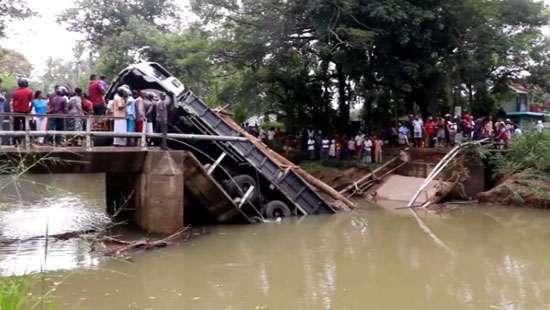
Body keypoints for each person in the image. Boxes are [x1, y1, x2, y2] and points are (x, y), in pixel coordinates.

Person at [10, 78, 33, 145]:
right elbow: (31, 103)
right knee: (26, 126)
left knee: (16, 126)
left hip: (16, 111)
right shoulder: (30, 92)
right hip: (25, 112)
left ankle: (16, 142)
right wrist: (30, 110)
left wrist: (14, 110)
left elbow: (13, 103)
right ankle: (25, 141)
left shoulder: (15, 92)